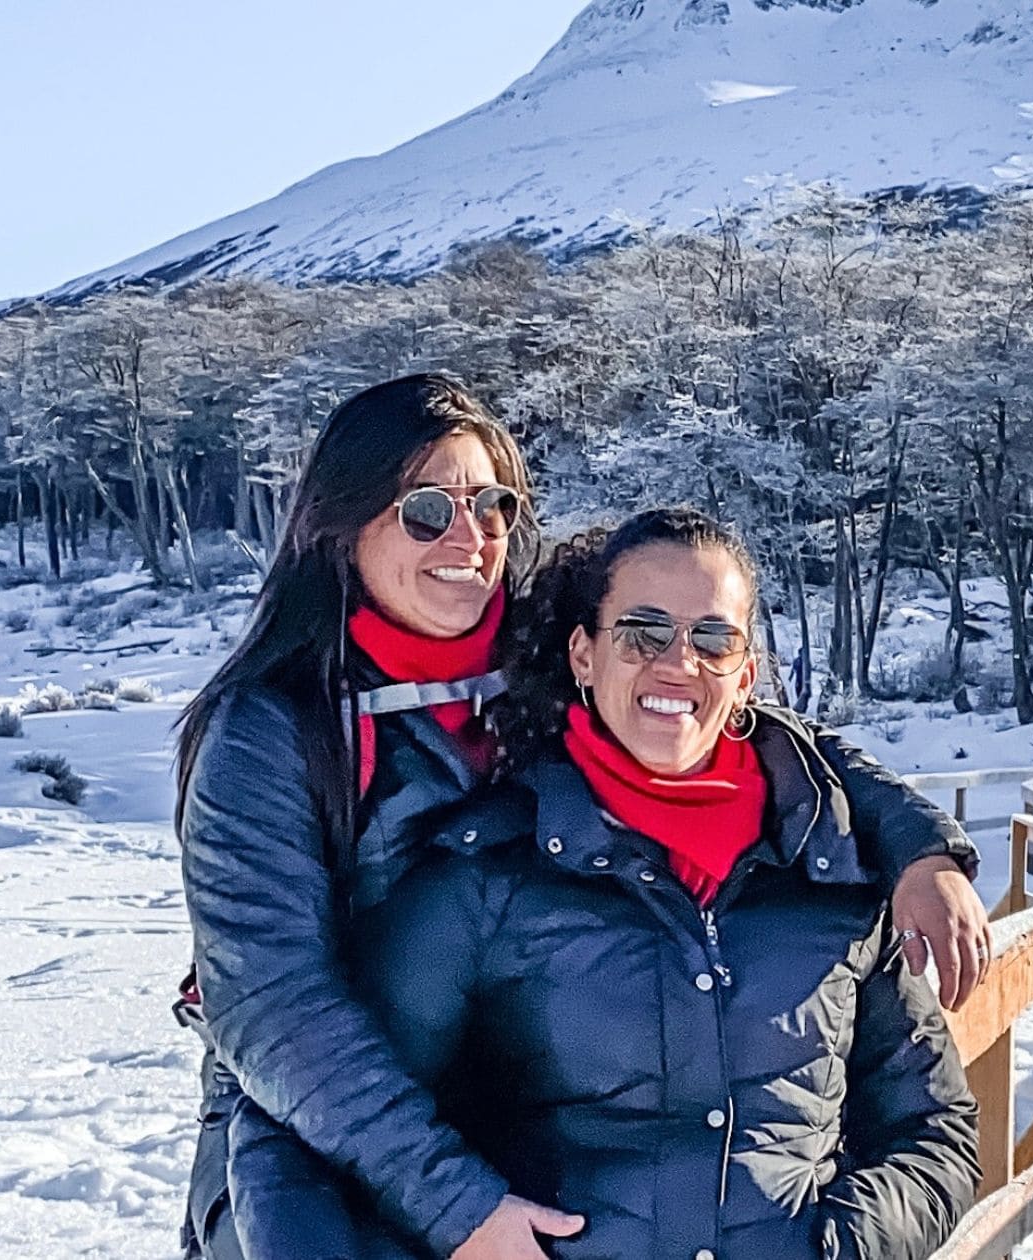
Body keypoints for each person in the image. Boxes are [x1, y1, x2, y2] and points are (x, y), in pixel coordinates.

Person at [175, 377, 986, 1260]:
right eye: (426, 510)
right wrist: (458, 1207)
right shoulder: (277, 729)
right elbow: (273, 1008)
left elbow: (746, 734)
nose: (469, 537)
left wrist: (921, 852)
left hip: (505, 1131)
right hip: (320, 1125)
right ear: (343, 522)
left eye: (493, 506)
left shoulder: (531, 654)